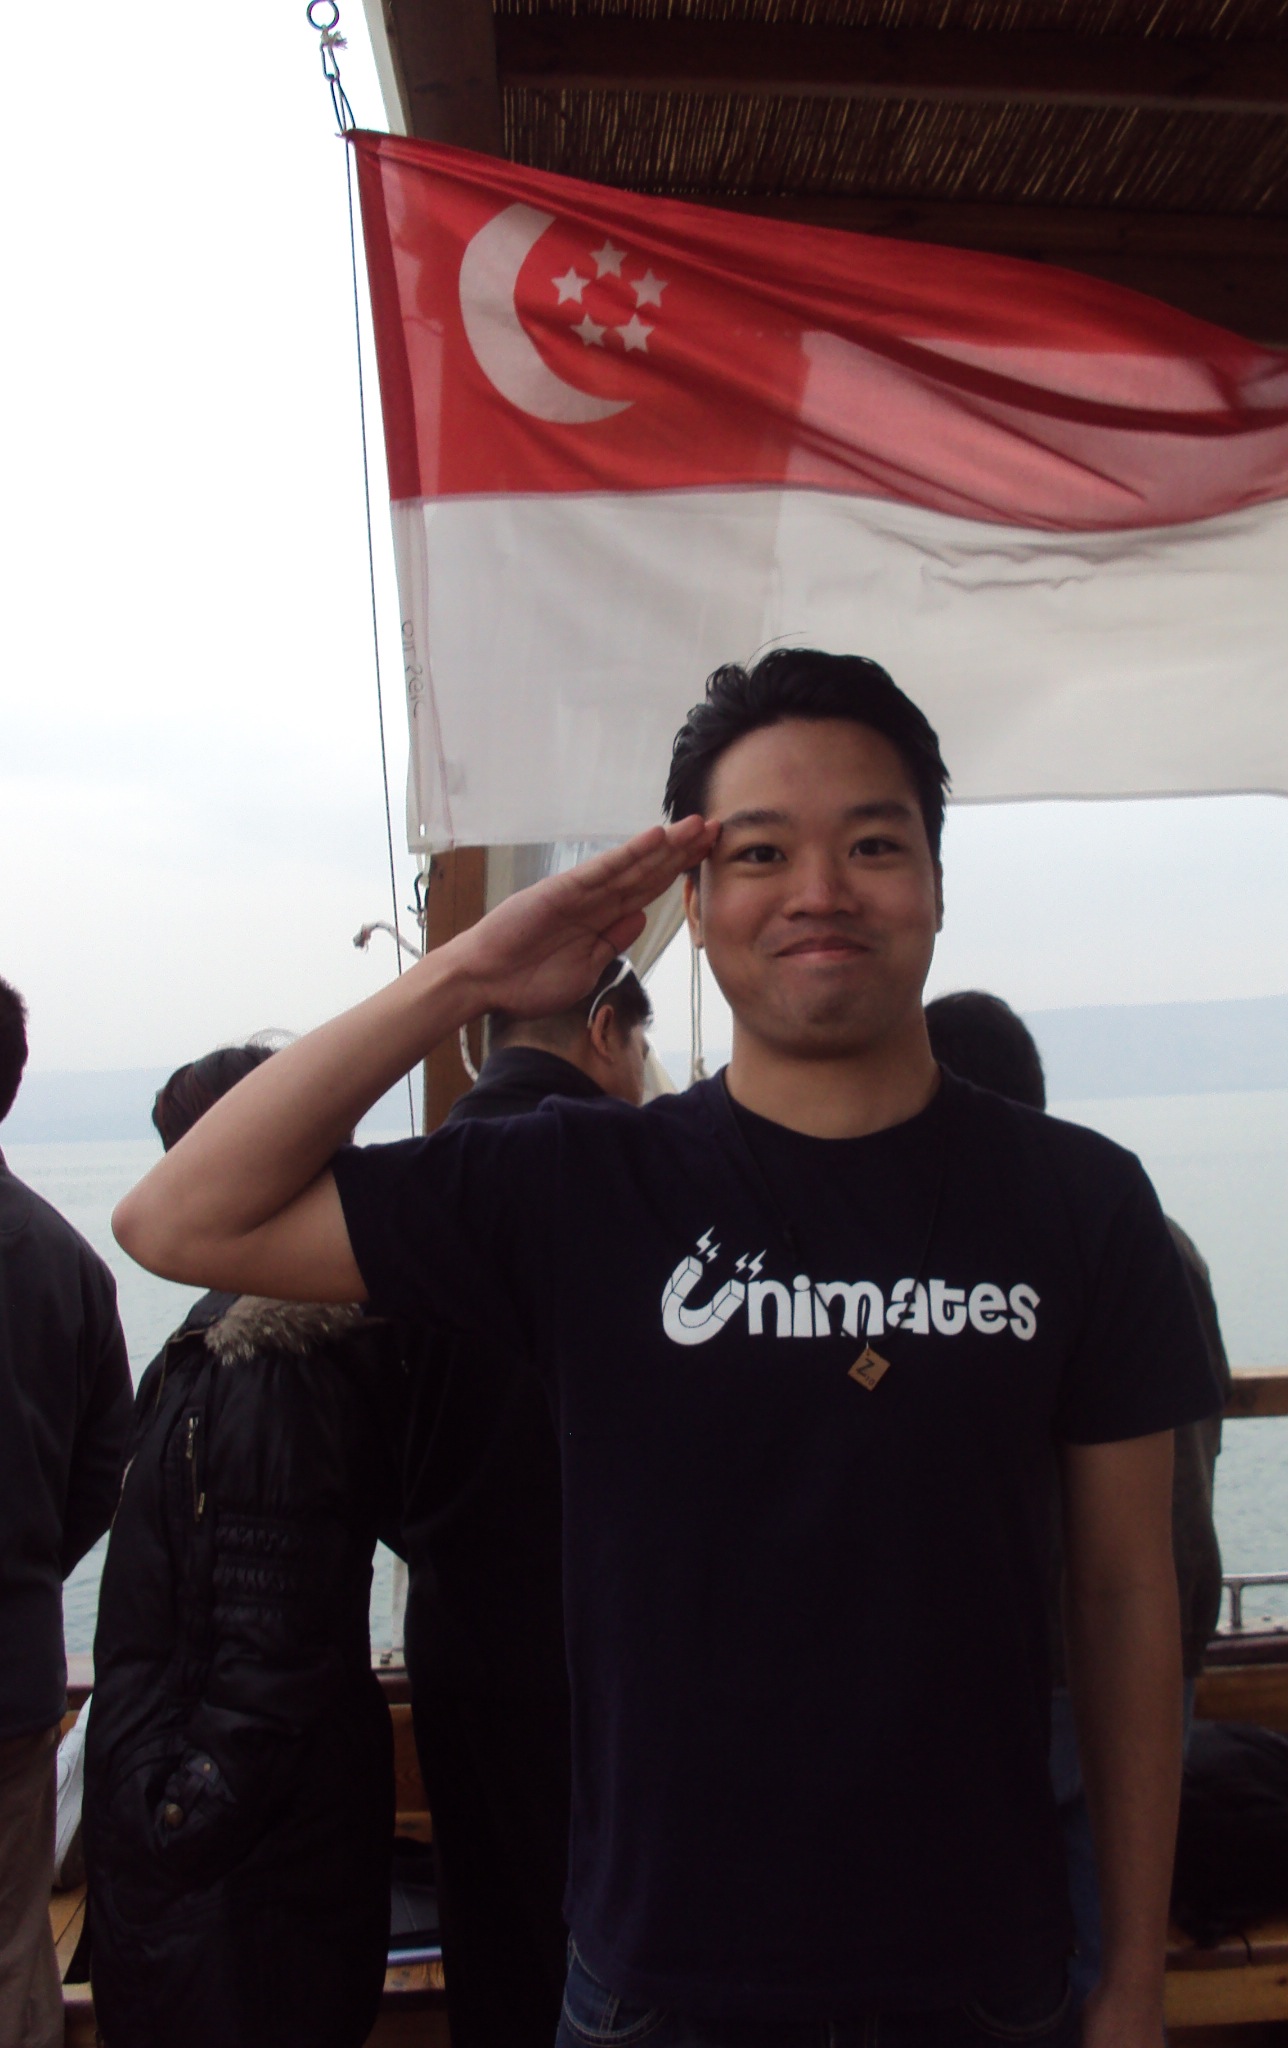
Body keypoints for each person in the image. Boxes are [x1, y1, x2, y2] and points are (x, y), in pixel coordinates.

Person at [114, 649, 1221, 2048]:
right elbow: (179, 1217)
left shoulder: (1081, 1202)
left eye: (873, 844)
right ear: (692, 905)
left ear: (938, 884)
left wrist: (1132, 1980)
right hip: (662, 1985)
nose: (820, 890)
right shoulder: (582, 1185)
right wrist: (467, 972)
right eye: (760, 852)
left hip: (988, 1974)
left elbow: (1127, 1599)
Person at [85, 1044, 404, 2048]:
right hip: (236, 1849)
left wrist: (179, 1815)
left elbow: (276, 1640)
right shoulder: (232, 1337)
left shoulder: (267, 1360)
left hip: (233, 1865)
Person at [923, 990, 1232, 2006]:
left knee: (978, 1966)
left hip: (1018, 1657)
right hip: (1158, 1642)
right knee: (1106, 1956)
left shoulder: (956, 1246)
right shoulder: (1144, 1231)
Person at [404, 957, 653, 2046]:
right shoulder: (618, 1177)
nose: (641, 1074)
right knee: (603, 1934)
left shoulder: (421, 1180)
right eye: (639, 1046)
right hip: (595, 1636)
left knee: (491, 1929)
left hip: (453, 1627)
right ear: (604, 1029)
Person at [0, 977, 132, 2048]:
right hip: (13, 1667)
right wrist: (32, 1566)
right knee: (13, 1948)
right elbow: (102, 1465)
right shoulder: (69, 1264)